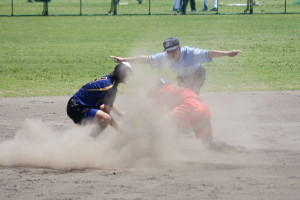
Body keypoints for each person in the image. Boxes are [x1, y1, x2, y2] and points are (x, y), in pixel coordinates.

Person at [110, 37, 240, 94]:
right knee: (184, 96)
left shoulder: (191, 53)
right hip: (182, 78)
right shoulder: (164, 56)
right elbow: (146, 59)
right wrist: (124, 59)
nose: (171, 54)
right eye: (168, 51)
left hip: (197, 74)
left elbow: (209, 54)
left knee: (192, 93)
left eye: (173, 50)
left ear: (179, 47)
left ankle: (195, 116)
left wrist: (227, 53)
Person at [66, 62, 132, 131]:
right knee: (106, 119)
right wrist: (120, 130)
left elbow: (108, 104)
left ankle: (92, 138)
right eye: (126, 74)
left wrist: (120, 114)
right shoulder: (110, 88)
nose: (127, 77)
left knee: (103, 110)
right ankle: (91, 139)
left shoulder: (108, 79)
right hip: (77, 109)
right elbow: (107, 113)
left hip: (74, 104)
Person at [156, 79, 213, 145]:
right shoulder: (178, 89)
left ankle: (165, 146)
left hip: (189, 108)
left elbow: (157, 107)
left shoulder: (164, 89)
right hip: (205, 110)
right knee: (207, 142)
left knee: (164, 121)